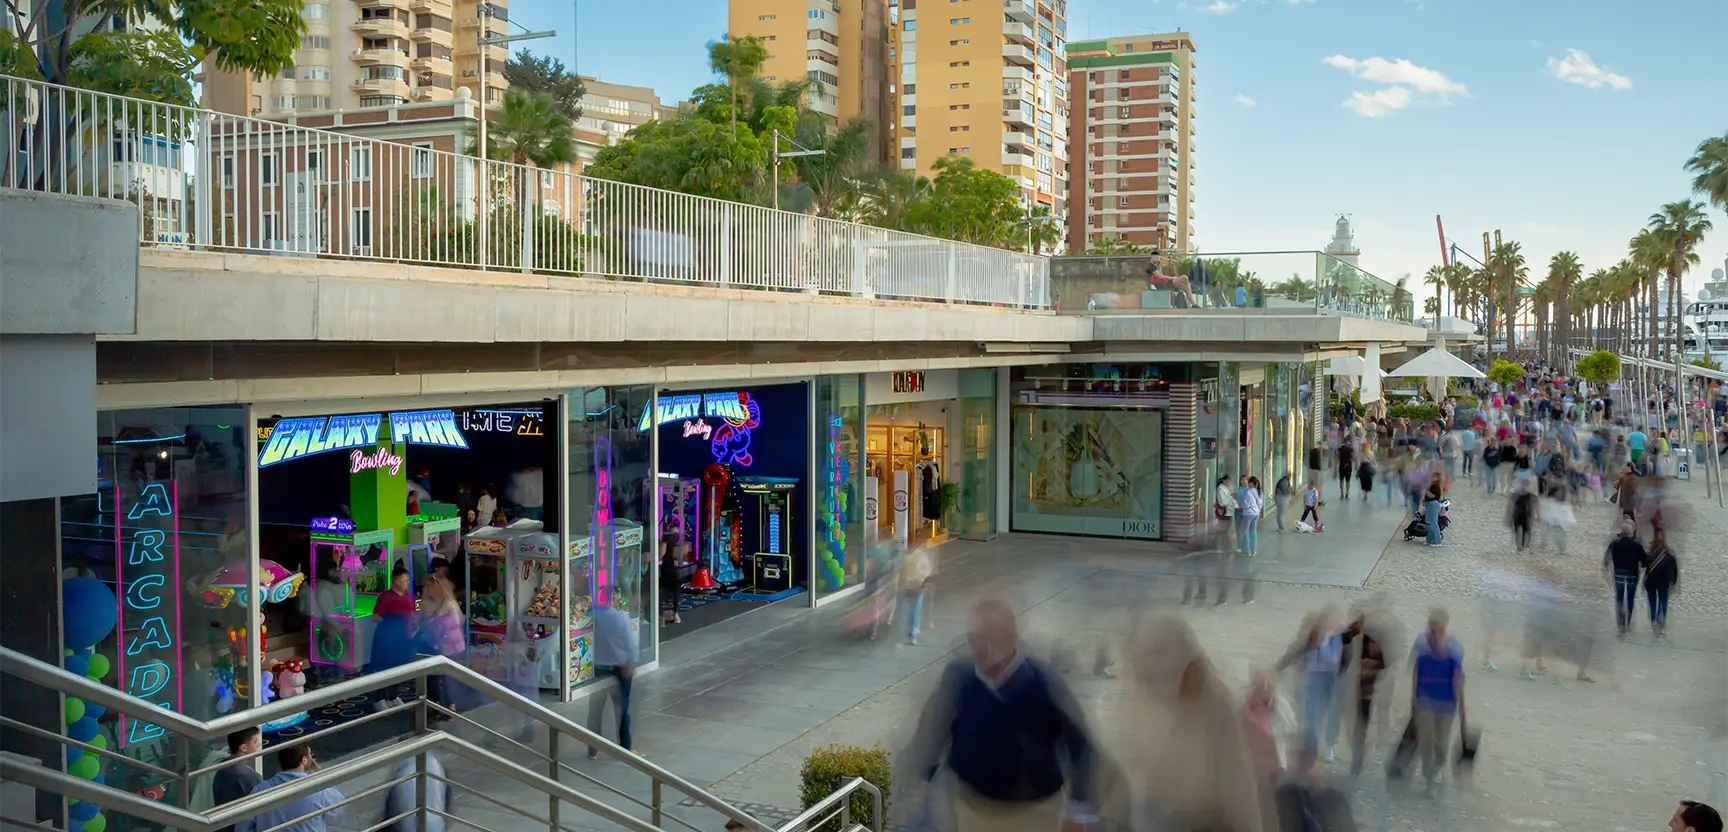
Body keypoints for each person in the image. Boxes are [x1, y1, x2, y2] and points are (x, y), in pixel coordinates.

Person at [901, 597, 1098, 832]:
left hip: (1035, 814)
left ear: (1011, 637)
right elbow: (933, 730)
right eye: (976, 637)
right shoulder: (959, 676)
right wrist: (920, 784)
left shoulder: (1043, 682)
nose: (983, 646)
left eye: (992, 635)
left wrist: (1079, 808)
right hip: (972, 809)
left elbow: (1080, 743)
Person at [1123, 616, 1274, 832]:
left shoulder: (1215, 702)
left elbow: (1239, 780)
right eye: (1149, 653)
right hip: (1156, 814)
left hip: (1209, 820)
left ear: (1185, 653)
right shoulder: (1137, 698)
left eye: (1162, 651)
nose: (1156, 663)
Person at [1409, 609, 1466, 798]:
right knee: (1427, 741)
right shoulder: (1421, 644)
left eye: (1439, 630)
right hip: (1425, 698)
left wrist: (1463, 711)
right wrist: (1413, 699)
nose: (1435, 635)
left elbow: (1458, 678)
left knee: (1441, 746)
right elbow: (1416, 670)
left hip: (1447, 701)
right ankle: (1429, 779)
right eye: (1432, 630)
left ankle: (1437, 768)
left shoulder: (1454, 646)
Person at [1276, 611, 1344, 763]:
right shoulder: (1311, 639)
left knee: (1334, 715)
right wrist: (1278, 669)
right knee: (1312, 715)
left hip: (1334, 678)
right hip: (1315, 678)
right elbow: (1293, 653)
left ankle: (1328, 745)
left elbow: (1339, 658)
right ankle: (1311, 750)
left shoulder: (1338, 637)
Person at [236, 745, 345, 832]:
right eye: (310, 754)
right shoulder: (318, 789)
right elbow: (339, 813)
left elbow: (243, 827)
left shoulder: (259, 791)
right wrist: (323, 778)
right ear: (304, 760)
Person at [586, 590, 639, 759]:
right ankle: (625, 746)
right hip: (620, 668)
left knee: (595, 711)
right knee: (622, 709)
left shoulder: (591, 618)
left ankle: (593, 748)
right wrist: (630, 663)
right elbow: (630, 644)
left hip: (598, 668)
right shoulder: (620, 618)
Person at [1341, 614, 1384, 777]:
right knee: (1351, 727)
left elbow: (1382, 663)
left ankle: (1357, 761)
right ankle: (1357, 756)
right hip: (1346, 689)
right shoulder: (1347, 637)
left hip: (1364, 693)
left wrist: (1366, 669)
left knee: (1360, 729)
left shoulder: (1372, 643)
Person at [370, 565, 418, 710]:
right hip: (386, 638)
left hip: (402, 638)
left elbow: (414, 613)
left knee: (398, 667)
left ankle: (393, 696)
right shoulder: (385, 597)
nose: (407, 583)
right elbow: (375, 617)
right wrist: (391, 621)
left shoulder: (408, 595)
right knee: (384, 667)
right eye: (405, 580)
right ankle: (379, 699)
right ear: (397, 581)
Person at [418, 575, 466, 718]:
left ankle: (450, 706)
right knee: (432, 677)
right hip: (432, 644)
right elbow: (422, 621)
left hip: (450, 646)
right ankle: (435, 704)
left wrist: (437, 620)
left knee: (447, 677)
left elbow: (458, 621)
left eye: (429, 587)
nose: (426, 590)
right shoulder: (425, 603)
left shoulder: (449, 602)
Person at [212, 728, 263, 832]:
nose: (258, 745)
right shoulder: (249, 777)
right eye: (255, 741)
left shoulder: (222, 768)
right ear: (244, 747)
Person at [1604, 520, 1647, 638]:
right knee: (1630, 599)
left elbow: (1606, 559)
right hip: (1632, 575)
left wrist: (1607, 567)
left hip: (1618, 574)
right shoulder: (1637, 545)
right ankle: (1627, 622)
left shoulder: (1615, 543)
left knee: (1619, 598)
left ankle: (1620, 622)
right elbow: (1644, 562)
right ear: (1631, 533)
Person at [1644, 530, 1679, 638]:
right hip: (1664, 582)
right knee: (1663, 600)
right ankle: (1661, 621)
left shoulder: (1650, 554)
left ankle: (1654, 620)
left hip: (1651, 581)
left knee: (1653, 600)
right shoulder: (1670, 554)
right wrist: (1674, 581)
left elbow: (1645, 566)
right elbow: (1674, 570)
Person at [899, 542, 936, 645]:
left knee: (913, 610)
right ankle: (911, 632)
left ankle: (913, 632)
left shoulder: (919, 555)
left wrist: (919, 581)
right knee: (911, 610)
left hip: (916, 587)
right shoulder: (906, 556)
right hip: (910, 586)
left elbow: (926, 571)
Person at [1237, 476, 1263, 556]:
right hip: (1256, 513)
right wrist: (1257, 510)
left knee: (1244, 532)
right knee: (1253, 532)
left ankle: (1246, 551)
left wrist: (1241, 506)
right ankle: (1253, 550)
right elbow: (1260, 504)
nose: (1247, 483)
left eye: (1248, 481)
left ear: (1251, 483)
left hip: (1248, 513)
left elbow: (1247, 504)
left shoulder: (1249, 492)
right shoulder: (1259, 491)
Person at [1215, 475, 1239, 551]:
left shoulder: (1225, 489)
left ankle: (1224, 546)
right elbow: (1223, 502)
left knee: (1226, 529)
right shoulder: (1221, 489)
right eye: (1228, 481)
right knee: (1224, 530)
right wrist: (1231, 496)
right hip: (1224, 513)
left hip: (1228, 512)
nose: (1229, 483)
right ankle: (1222, 546)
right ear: (1224, 481)